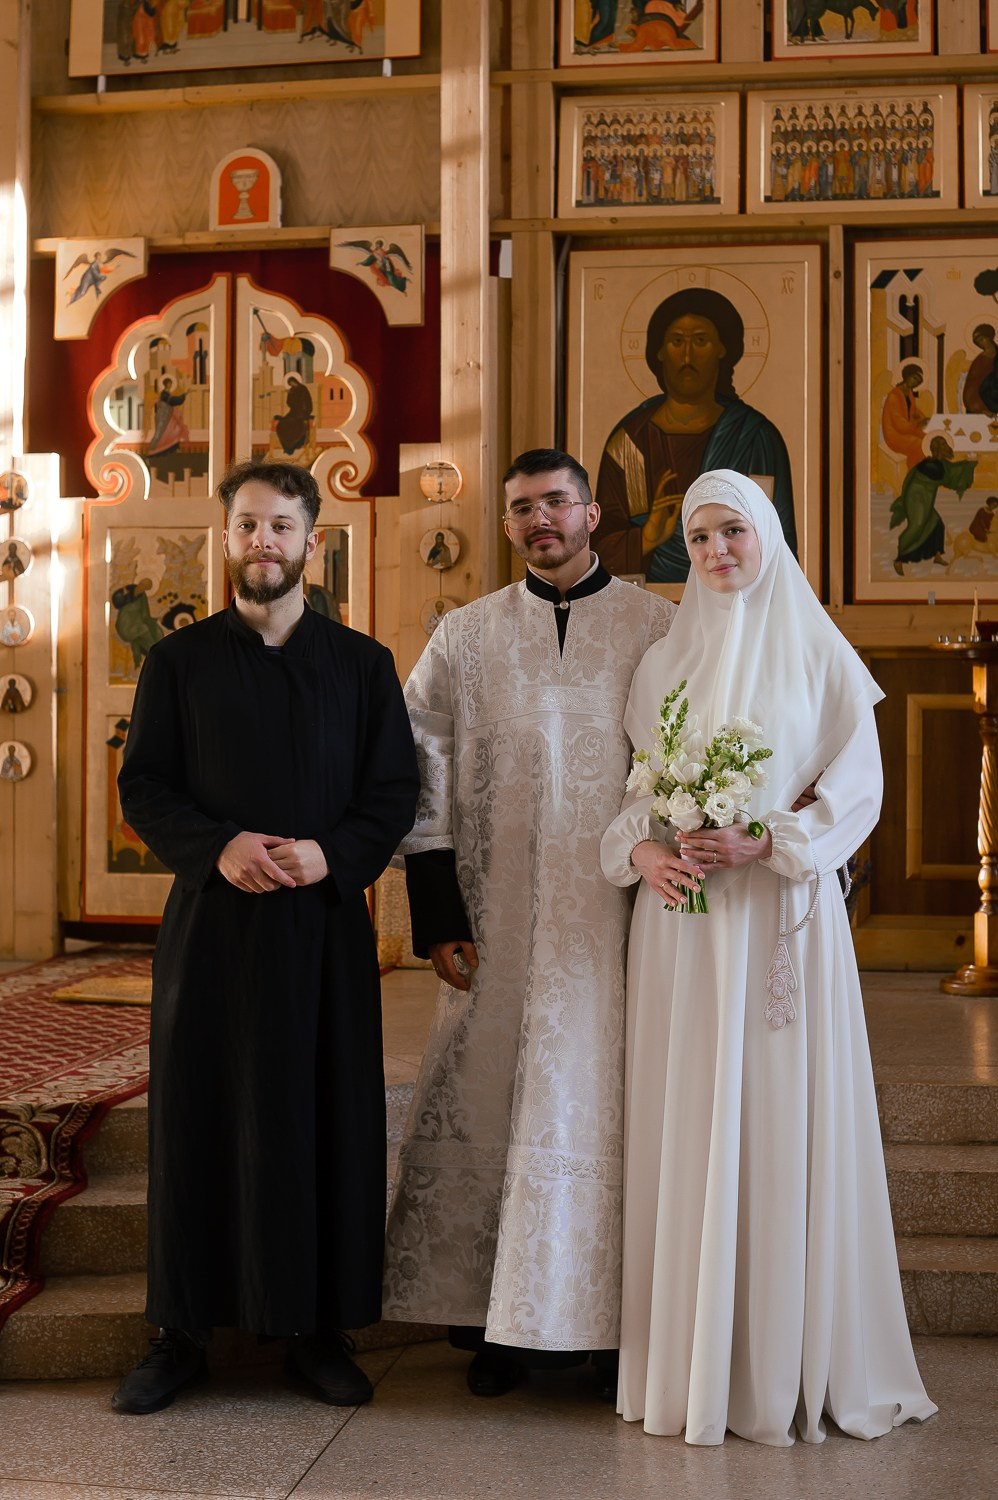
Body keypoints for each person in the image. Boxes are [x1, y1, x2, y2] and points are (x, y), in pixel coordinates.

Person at [600, 468, 937, 1446]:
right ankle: (688, 1365)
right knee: (691, 1120)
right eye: (699, 537)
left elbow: (857, 793)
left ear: (768, 538)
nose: (715, 553)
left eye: (732, 534)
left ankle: (782, 1367)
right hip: (683, 931)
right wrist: (647, 850)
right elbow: (632, 795)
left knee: (780, 1116)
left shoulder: (816, 656)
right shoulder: (660, 667)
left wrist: (770, 844)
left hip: (780, 922)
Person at [113, 459, 419, 1416]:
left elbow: (393, 793)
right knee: (198, 1121)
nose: (263, 543)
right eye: (246, 526)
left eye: (281, 526)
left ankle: (317, 1330)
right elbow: (146, 786)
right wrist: (221, 847)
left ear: (311, 542)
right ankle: (181, 1333)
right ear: (227, 539)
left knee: (325, 1120)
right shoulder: (178, 661)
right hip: (214, 928)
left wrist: (335, 856)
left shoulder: (363, 664)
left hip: (323, 932)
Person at [382, 448, 676, 1398]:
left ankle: (600, 1325)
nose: (540, 519)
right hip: (493, 915)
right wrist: (435, 914)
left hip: (616, 923)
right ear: (506, 526)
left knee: (598, 1102)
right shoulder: (463, 639)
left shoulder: (657, 627)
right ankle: (496, 1324)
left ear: (594, 514)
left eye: (558, 502)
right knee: (493, 1095)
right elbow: (415, 770)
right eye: (521, 509)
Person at [593, 287, 797, 583]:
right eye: (677, 342)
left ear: (722, 349)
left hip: (740, 606)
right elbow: (597, 549)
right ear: (660, 351)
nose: (687, 355)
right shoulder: (630, 442)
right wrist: (647, 537)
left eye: (700, 341)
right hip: (647, 607)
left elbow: (778, 541)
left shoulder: (754, 438)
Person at [890, 436, 977, 575]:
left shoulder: (939, 464)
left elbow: (951, 472)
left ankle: (936, 556)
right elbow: (948, 476)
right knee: (917, 526)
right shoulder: (929, 465)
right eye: (942, 445)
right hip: (916, 500)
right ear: (936, 448)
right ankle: (899, 560)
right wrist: (969, 464)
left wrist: (969, 463)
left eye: (945, 444)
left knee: (937, 524)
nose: (945, 447)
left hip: (926, 500)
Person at [881, 364, 929, 471]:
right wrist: (918, 424)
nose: (916, 382)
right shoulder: (894, 396)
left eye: (919, 381)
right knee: (919, 444)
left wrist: (923, 418)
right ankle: (913, 472)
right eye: (915, 378)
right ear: (907, 376)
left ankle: (923, 471)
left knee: (928, 438)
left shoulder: (908, 393)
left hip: (908, 429)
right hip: (895, 435)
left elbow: (914, 412)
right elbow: (899, 424)